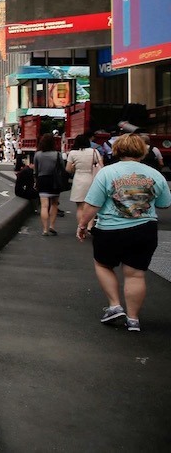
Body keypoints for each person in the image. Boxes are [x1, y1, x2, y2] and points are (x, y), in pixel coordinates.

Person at [76, 134, 171, 332]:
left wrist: (83, 224)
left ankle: (115, 306)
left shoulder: (107, 173)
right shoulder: (155, 174)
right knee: (136, 274)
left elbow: (93, 204)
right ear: (142, 151)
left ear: (117, 150)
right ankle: (134, 320)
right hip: (144, 230)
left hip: (111, 230)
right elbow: (164, 203)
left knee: (103, 264)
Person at [66, 133, 102, 227]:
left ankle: (81, 227)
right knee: (91, 205)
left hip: (79, 180)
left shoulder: (73, 153)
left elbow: (68, 169)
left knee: (80, 207)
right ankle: (90, 226)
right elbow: (101, 165)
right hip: (92, 179)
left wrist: (75, 168)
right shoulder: (94, 151)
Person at [33, 133, 66, 235]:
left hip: (42, 180)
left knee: (44, 206)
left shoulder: (38, 154)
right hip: (54, 181)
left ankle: (45, 229)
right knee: (54, 204)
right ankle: (52, 225)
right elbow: (62, 168)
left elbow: (36, 170)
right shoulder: (57, 154)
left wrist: (35, 181)